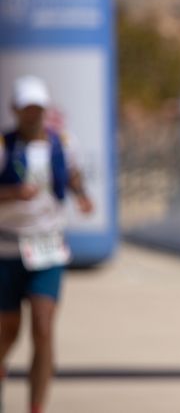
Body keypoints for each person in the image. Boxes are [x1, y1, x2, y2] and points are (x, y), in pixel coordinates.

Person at [0, 76, 93, 413]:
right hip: (6, 249)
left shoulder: (63, 143)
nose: (32, 114)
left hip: (47, 248)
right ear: (15, 110)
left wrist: (81, 194)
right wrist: (13, 193)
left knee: (43, 325)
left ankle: (36, 406)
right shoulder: (3, 146)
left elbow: (73, 175)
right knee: (8, 330)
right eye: (26, 108)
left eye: (37, 108)